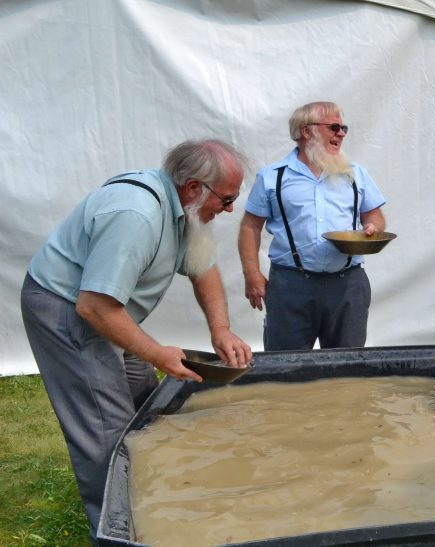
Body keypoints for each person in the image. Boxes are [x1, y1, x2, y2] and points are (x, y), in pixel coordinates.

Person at [20, 139, 253, 538]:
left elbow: (204, 270)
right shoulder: (137, 214)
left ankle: (158, 500)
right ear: (194, 187)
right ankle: (120, 534)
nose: (229, 209)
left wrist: (220, 329)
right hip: (66, 309)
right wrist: (158, 353)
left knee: (147, 402)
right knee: (105, 430)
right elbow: (93, 307)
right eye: (227, 199)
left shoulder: (185, 210)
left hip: (109, 310)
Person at [239, 101, 386, 351]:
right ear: (306, 131)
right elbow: (249, 228)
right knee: (285, 367)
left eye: (344, 128)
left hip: (348, 285)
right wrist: (251, 274)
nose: (341, 133)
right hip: (290, 286)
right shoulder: (273, 176)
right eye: (334, 127)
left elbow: (374, 216)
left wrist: (372, 228)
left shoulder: (355, 173)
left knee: (347, 368)